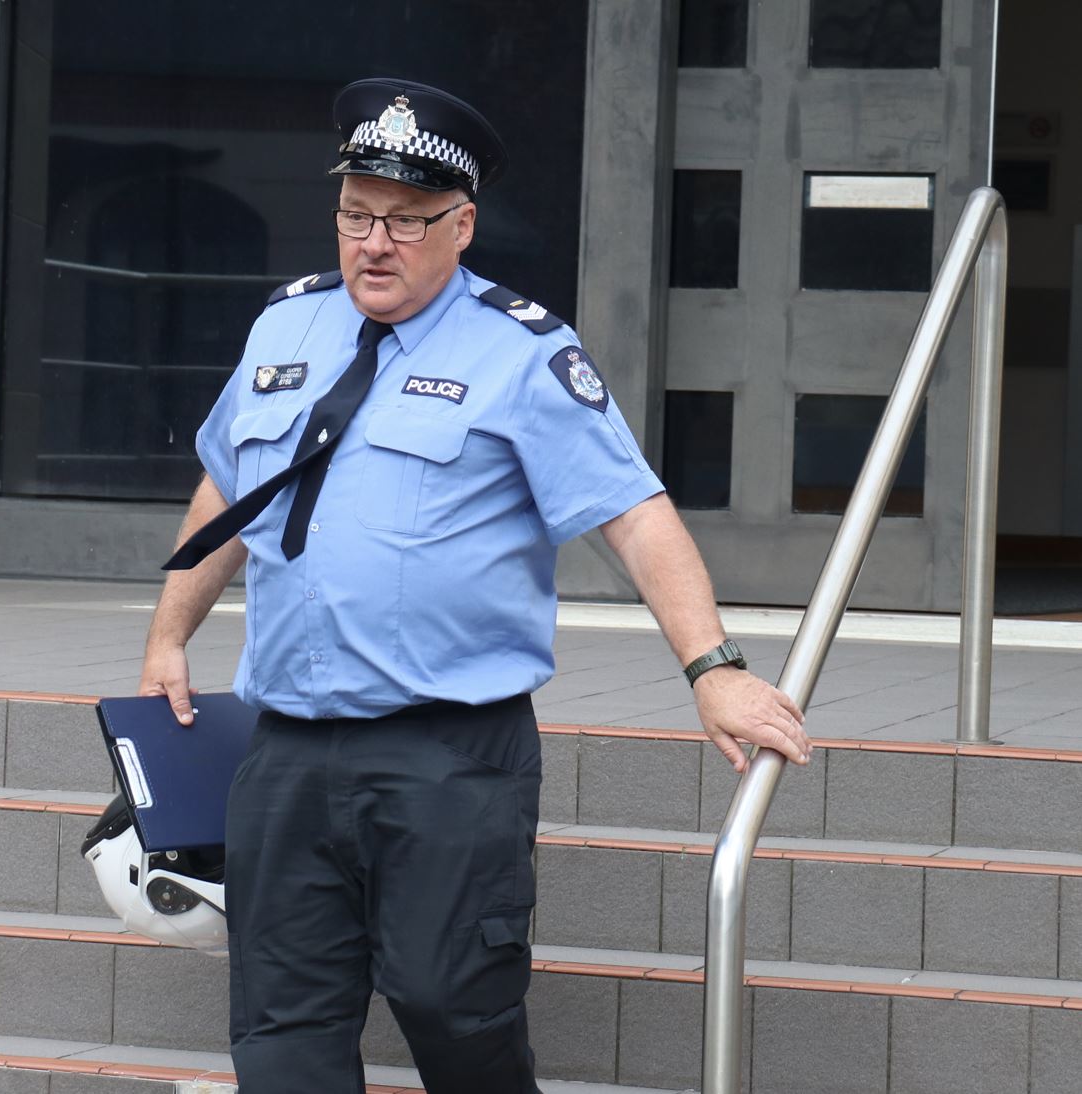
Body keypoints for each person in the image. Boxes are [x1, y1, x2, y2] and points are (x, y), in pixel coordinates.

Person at [138, 77, 811, 1094]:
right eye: (356, 214)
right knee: (279, 1027)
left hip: (446, 753)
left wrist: (710, 667)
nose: (373, 242)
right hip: (284, 750)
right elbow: (225, 485)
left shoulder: (521, 352)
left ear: (460, 225)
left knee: (452, 1003)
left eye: (404, 221)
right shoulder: (285, 328)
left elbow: (632, 512)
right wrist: (168, 633)